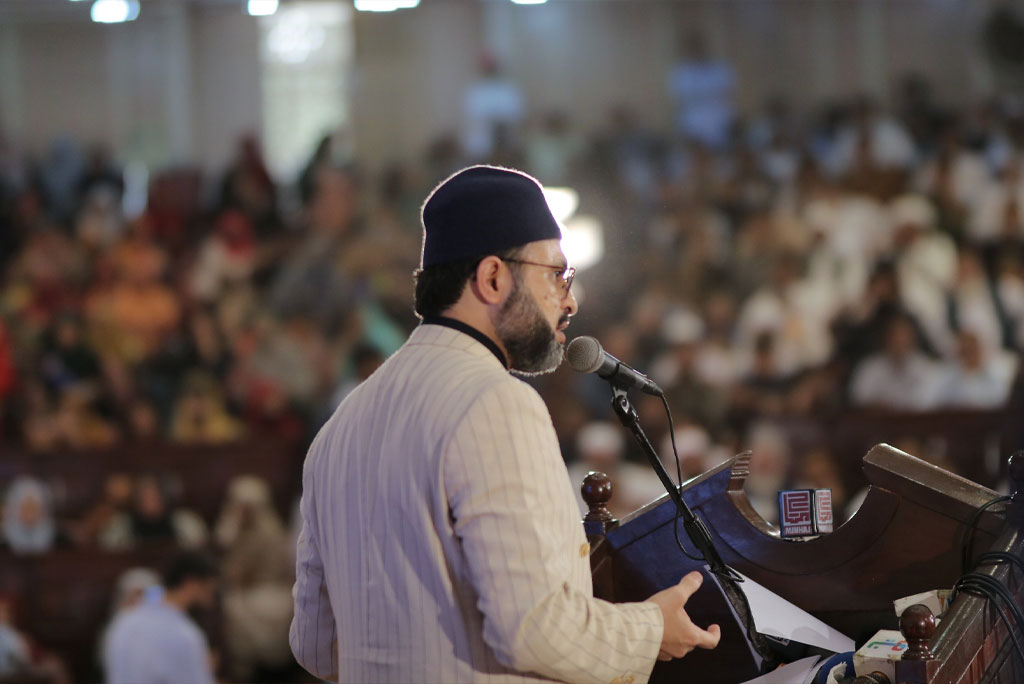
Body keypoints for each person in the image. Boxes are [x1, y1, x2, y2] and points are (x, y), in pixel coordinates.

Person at [290, 166, 720, 684]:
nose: (571, 300)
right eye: (557, 274)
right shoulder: (494, 402)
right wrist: (652, 630)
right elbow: (530, 629)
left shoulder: (338, 430)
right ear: (493, 277)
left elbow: (315, 646)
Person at [103, 551, 218, 684]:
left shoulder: (124, 620)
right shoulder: (183, 634)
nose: (212, 597)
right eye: (211, 588)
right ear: (192, 583)